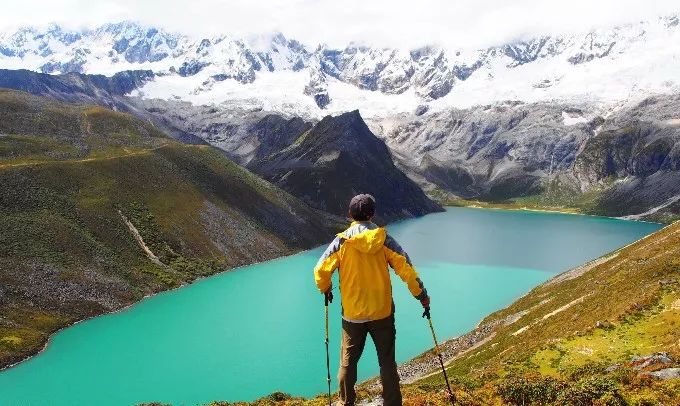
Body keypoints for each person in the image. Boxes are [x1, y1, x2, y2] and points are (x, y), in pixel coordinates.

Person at [313, 194, 430, 406]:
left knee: (348, 362)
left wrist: (326, 288)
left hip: (352, 314)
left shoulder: (342, 241)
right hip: (382, 313)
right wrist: (421, 295)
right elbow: (407, 269)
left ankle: (346, 402)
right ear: (372, 214)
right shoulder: (384, 239)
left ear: (350, 215)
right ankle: (392, 402)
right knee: (386, 361)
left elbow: (320, 270)